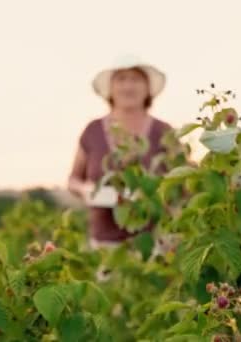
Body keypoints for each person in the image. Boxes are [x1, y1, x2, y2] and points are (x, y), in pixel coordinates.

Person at [68, 56, 173, 249]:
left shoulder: (163, 131)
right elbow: (73, 180)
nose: (128, 86)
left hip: (155, 242)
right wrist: (86, 190)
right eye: (121, 79)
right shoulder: (93, 130)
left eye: (135, 80)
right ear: (111, 88)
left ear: (147, 88)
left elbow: (180, 181)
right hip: (105, 243)